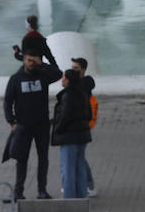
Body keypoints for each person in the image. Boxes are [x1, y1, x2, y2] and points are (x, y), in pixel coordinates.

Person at [4, 49, 63, 202]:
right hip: (23, 126)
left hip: (42, 125)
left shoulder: (43, 76)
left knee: (43, 159)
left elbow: (58, 73)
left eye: (33, 60)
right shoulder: (16, 79)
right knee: (21, 159)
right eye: (28, 60)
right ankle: (18, 192)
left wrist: (41, 63)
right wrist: (12, 122)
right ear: (23, 60)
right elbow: (7, 101)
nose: (31, 63)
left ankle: (42, 190)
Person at [52, 68, 92, 199]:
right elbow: (89, 115)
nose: (62, 80)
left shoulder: (67, 95)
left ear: (68, 80)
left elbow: (65, 116)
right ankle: (82, 198)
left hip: (69, 137)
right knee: (80, 168)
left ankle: (69, 200)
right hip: (82, 135)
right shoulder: (83, 93)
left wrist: (57, 129)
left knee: (67, 170)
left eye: (64, 78)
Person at [71, 57, 98, 197]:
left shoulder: (86, 82)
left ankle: (88, 185)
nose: (73, 70)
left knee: (78, 156)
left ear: (83, 69)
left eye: (76, 68)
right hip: (77, 126)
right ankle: (86, 184)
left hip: (82, 126)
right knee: (78, 156)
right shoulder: (76, 83)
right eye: (72, 68)